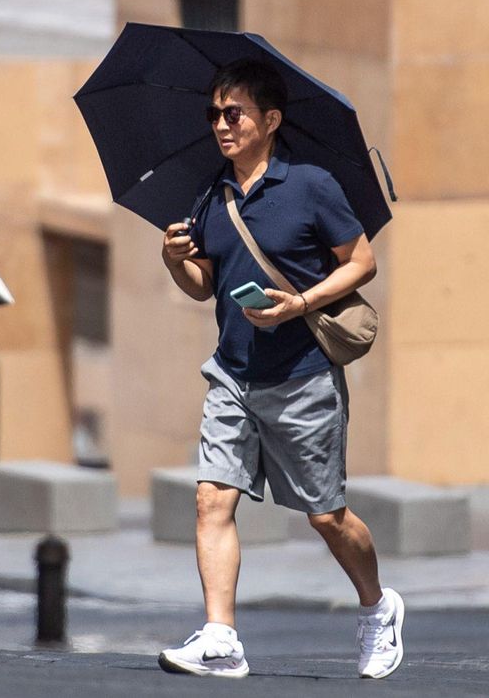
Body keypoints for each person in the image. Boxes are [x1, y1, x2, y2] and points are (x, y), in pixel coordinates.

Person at [156, 59, 400, 680]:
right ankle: (221, 639)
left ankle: (378, 608)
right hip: (232, 374)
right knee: (212, 498)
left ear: (270, 120)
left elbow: (361, 261)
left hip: (303, 375)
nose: (220, 125)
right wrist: (174, 260)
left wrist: (302, 303)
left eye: (231, 113)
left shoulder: (311, 185)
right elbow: (202, 285)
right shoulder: (212, 194)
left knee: (326, 515)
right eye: (213, 114)